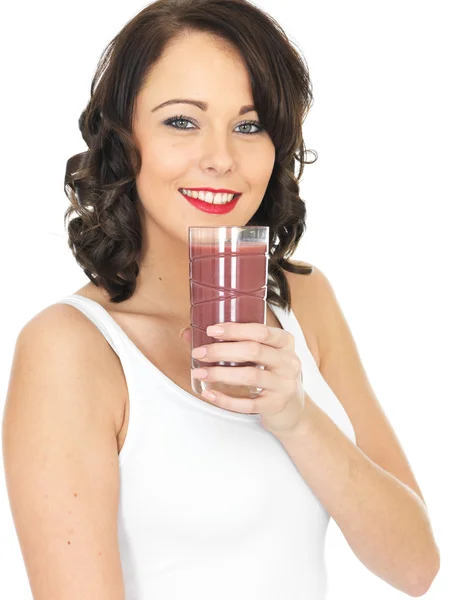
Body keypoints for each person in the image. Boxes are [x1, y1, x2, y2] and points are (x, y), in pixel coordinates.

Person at [2, 1, 440, 599]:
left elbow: (416, 567)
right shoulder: (71, 348)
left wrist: (296, 417)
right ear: (123, 137)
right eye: (182, 121)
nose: (221, 158)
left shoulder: (301, 298)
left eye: (250, 123)